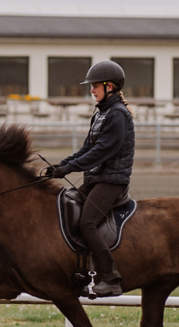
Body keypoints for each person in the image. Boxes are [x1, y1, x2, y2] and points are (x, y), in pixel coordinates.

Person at [45, 60, 135, 297]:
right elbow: (86, 149)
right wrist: (62, 166)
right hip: (96, 179)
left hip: (111, 182)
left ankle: (111, 278)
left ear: (110, 87)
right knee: (63, 206)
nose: (91, 90)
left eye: (95, 85)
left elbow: (102, 151)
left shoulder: (118, 115)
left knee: (87, 223)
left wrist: (70, 168)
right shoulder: (101, 114)